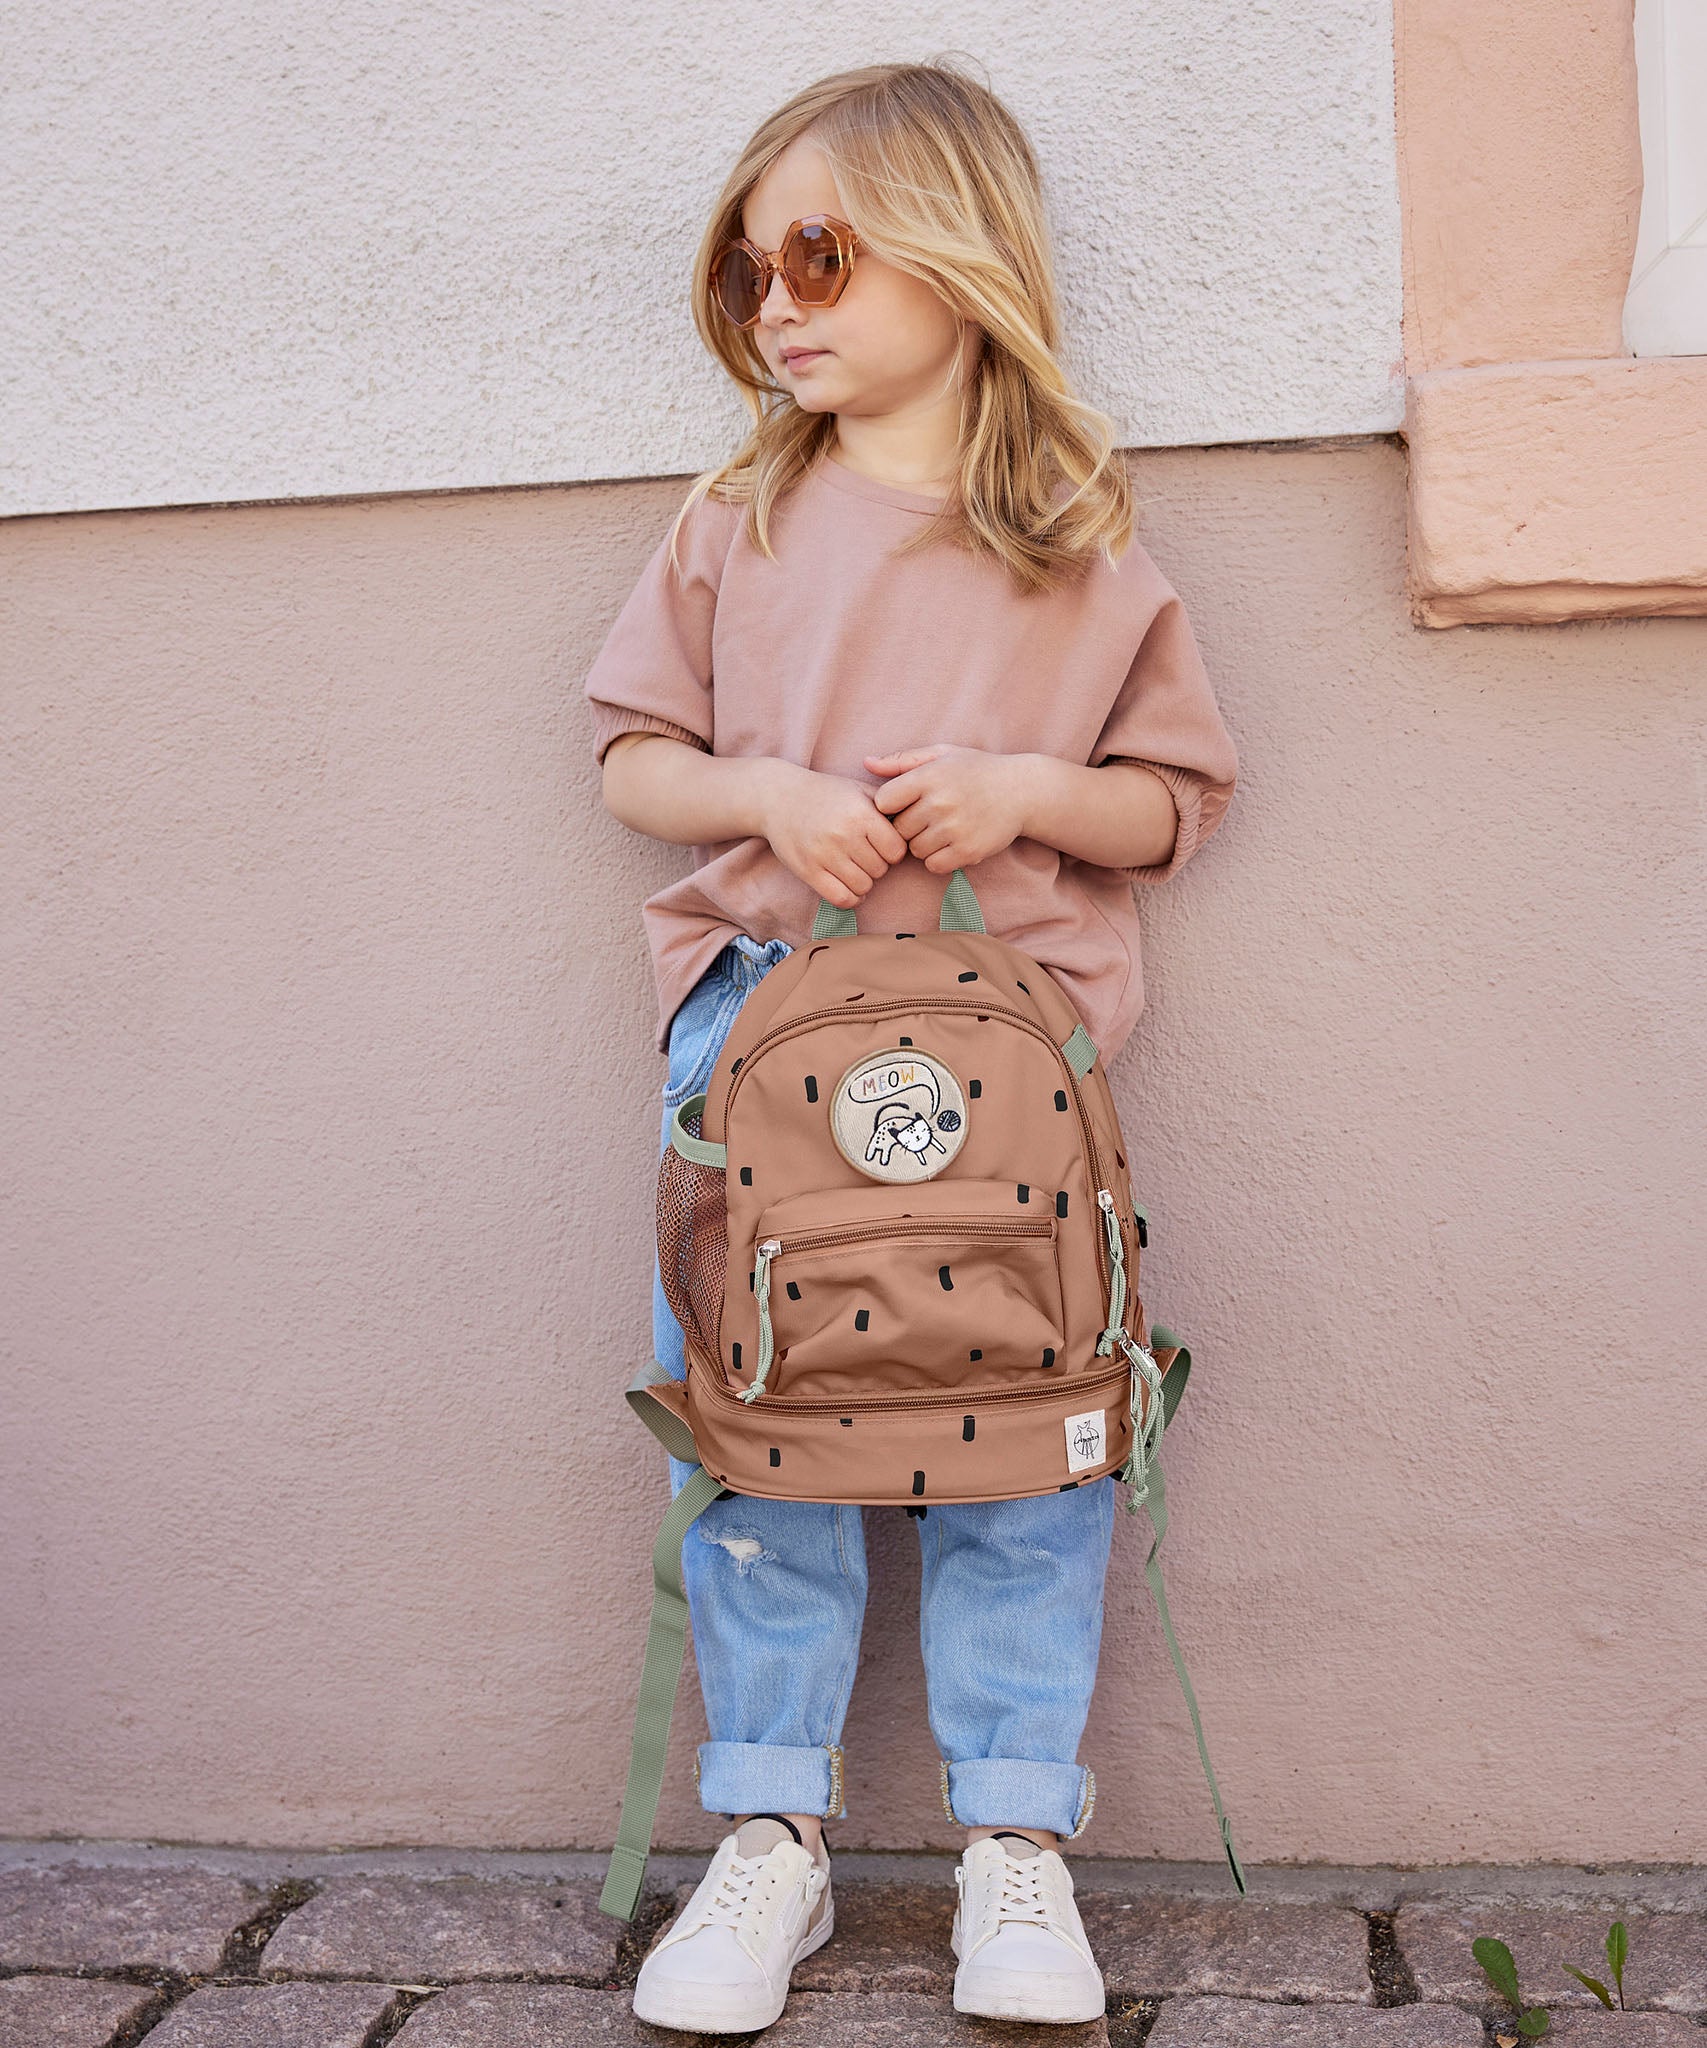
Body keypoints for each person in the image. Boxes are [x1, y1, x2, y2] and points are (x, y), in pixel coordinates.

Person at [583, 59, 1239, 2035]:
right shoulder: (737, 520)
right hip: (764, 1039)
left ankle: (1011, 1842)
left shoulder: (1074, 541)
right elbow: (629, 757)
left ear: (953, 266)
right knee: (763, 1421)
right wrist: (767, 801)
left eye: (817, 254)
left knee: (1020, 1428)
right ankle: (768, 1836)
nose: (774, 302)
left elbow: (1172, 799)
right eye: (746, 267)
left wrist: (1030, 782)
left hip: (1007, 1068)